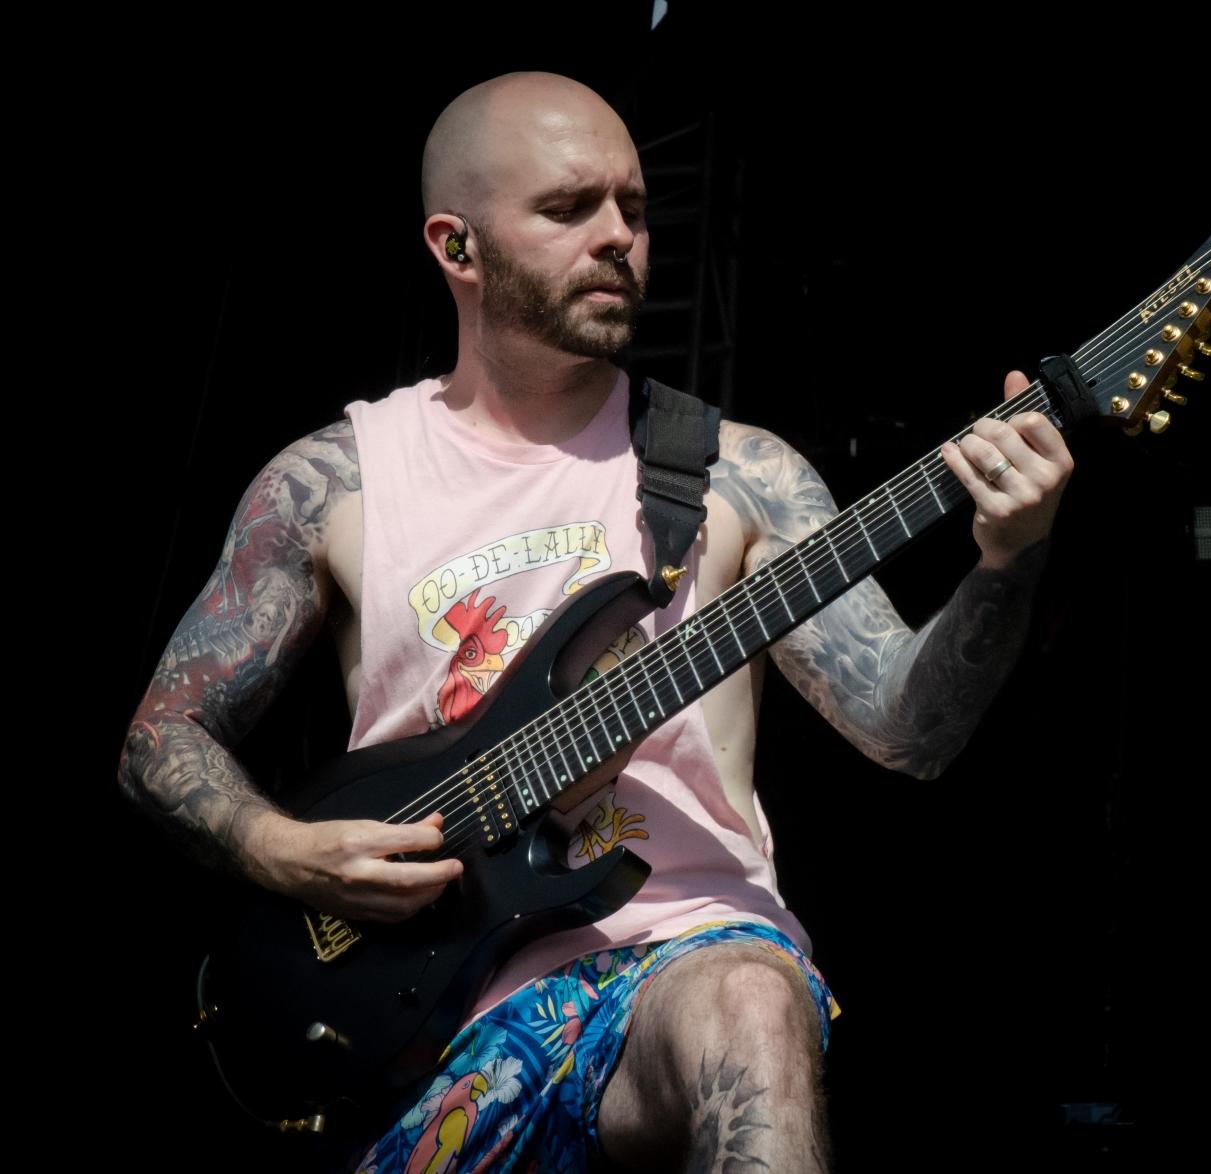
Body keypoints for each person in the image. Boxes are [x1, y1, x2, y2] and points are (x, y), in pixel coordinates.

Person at [117, 71, 1072, 1172]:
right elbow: (162, 737)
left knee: (754, 1006)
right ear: (456, 246)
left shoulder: (739, 474)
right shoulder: (336, 483)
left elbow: (908, 730)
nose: (619, 235)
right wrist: (284, 851)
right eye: (570, 208)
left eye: (633, 206)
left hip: (686, 945)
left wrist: (1008, 559)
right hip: (431, 1015)